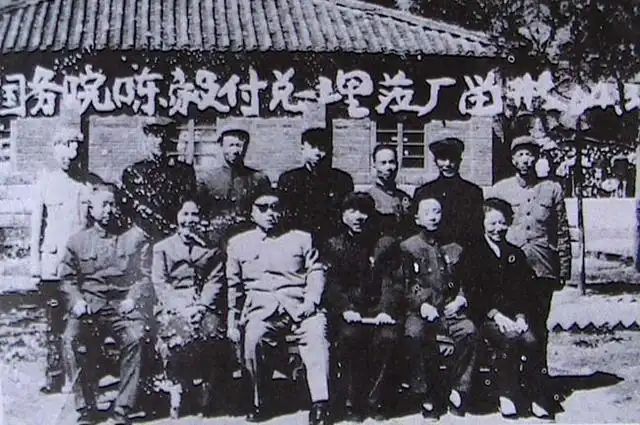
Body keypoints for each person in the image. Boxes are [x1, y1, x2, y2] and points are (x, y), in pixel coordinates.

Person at [226, 188, 331, 425]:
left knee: (316, 334)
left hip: (300, 306)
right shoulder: (238, 244)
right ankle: (260, 401)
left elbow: (316, 271)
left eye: (275, 208)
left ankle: (320, 404)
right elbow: (235, 287)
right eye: (263, 208)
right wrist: (233, 321)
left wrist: (311, 301)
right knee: (253, 338)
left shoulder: (302, 239)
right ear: (252, 213)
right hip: (261, 310)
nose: (270, 213)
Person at [59, 184, 152, 425]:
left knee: (135, 338)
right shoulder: (77, 241)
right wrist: (76, 301)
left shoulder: (133, 238)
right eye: (104, 205)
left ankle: (122, 409)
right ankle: (85, 408)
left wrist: (132, 298)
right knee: (71, 339)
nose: (109, 210)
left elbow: (143, 276)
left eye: (113, 204)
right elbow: (67, 279)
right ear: (92, 209)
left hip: (121, 306)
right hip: (90, 306)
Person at [486, 135, 572, 376]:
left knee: (538, 324)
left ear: (537, 158)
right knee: (512, 323)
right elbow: (490, 225)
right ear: (513, 159)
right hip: (510, 269)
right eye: (520, 155)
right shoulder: (500, 189)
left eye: (530, 154)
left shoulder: (552, 189)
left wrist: (564, 269)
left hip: (542, 267)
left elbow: (561, 231)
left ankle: (538, 377)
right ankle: (512, 378)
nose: (525, 160)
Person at [461, 198, 554, 419]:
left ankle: (534, 395)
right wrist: (496, 315)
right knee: (510, 339)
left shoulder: (515, 254)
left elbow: (523, 291)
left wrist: (521, 316)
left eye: (502, 223)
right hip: (484, 317)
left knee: (533, 339)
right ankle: (506, 393)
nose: (498, 229)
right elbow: (474, 293)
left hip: (513, 317)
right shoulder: (473, 253)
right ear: (483, 224)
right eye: (492, 223)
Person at [323, 192, 401, 421]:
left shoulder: (385, 244)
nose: (358, 217)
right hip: (349, 312)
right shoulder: (334, 245)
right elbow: (332, 284)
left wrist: (386, 309)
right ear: (343, 215)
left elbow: (392, 281)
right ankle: (352, 402)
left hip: (378, 310)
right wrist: (345, 308)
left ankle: (376, 401)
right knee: (350, 337)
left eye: (363, 211)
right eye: (352, 211)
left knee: (388, 338)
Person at [399, 197, 478, 419]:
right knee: (414, 334)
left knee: (469, 330)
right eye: (427, 213)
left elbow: (464, 281)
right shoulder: (408, 247)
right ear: (417, 218)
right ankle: (426, 393)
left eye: (437, 212)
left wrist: (460, 299)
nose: (433, 217)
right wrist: (421, 305)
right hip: (420, 312)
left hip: (448, 310)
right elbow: (405, 284)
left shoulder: (454, 248)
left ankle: (458, 388)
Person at [152, 199, 228, 417]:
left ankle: (207, 389)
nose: (189, 220)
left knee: (213, 332)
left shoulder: (212, 249)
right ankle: (178, 387)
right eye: (185, 214)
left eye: (194, 215)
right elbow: (160, 283)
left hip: (203, 305)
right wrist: (181, 308)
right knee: (174, 336)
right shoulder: (162, 248)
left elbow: (214, 281)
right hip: (174, 306)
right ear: (177, 217)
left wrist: (201, 306)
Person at [30, 127, 90, 393]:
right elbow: (36, 227)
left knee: (77, 322)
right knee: (53, 322)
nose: (69, 157)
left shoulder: (87, 185)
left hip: (79, 267)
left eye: (74, 151)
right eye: (63, 150)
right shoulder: (45, 184)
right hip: (52, 265)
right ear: (55, 151)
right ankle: (53, 375)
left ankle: (76, 376)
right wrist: (35, 265)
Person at [120, 118, 196, 242]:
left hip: (175, 239)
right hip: (144, 239)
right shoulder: (133, 173)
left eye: (164, 135)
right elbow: (128, 214)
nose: (160, 141)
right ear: (147, 136)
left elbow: (189, 208)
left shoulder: (184, 172)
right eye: (155, 135)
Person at [278, 127, 354, 242]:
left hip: (332, 240)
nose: (317, 153)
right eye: (312, 147)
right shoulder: (289, 179)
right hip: (298, 240)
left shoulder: (342, 180)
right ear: (302, 149)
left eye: (322, 148)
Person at [197, 128, 271, 245]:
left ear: (246, 147)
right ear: (221, 146)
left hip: (248, 239)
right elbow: (200, 213)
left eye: (239, 145)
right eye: (231, 145)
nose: (235, 150)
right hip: (216, 241)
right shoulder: (207, 179)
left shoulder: (259, 179)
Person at [413, 137, 483, 247]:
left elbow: (476, 229)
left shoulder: (473, 192)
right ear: (435, 161)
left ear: (460, 160)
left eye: (452, 159)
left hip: (463, 249)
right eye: (442, 158)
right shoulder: (424, 192)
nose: (448, 163)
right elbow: (416, 228)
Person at [367, 144, 413, 238]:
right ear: (374, 165)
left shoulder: (404, 197)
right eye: (383, 163)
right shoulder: (369, 197)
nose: (388, 167)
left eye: (392, 162)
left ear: (397, 164)